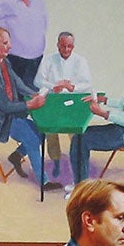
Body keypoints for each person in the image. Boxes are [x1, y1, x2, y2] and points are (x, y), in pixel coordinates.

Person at [0, 27, 47, 183]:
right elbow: (5, 106)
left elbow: (18, 84)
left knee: (41, 130)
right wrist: (30, 104)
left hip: (8, 115)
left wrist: (33, 93)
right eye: (5, 42)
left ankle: (16, 156)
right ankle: (44, 182)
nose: (10, 46)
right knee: (32, 138)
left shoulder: (3, 62)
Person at [34, 31, 95, 190]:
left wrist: (72, 86)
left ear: (73, 46)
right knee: (50, 130)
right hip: (54, 99)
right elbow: (38, 80)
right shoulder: (49, 59)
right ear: (58, 45)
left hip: (73, 100)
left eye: (69, 46)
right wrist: (53, 86)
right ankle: (55, 161)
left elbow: (87, 83)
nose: (66, 49)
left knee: (75, 132)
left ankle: (76, 165)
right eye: (63, 46)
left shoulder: (80, 61)